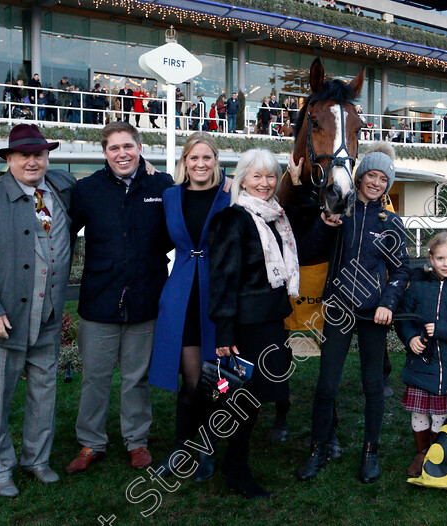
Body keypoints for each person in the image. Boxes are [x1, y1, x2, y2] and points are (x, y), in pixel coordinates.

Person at [0, 124, 75, 497]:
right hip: (2, 321)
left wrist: (148, 169)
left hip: (48, 318)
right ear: (8, 160)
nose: (32, 161)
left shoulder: (61, 188)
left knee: (44, 395)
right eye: (23, 155)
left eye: (39, 154)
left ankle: (37, 460)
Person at [65, 122, 173, 475]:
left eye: (128, 146)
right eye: (114, 148)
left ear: (140, 147)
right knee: (94, 377)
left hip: (146, 296)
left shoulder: (162, 184)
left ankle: (137, 440)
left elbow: (182, 224)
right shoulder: (87, 189)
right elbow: (61, 231)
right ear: (104, 153)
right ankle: (91, 442)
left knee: (136, 376)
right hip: (99, 299)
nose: (122, 153)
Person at [299, 144, 411, 484]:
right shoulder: (339, 211)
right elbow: (308, 251)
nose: (376, 183)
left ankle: (370, 453)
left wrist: (387, 303)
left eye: (383, 179)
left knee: (373, 385)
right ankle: (318, 449)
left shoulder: (390, 221)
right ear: (359, 177)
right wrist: (324, 223)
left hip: (373, 314)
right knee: (326, 384)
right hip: (338, 311)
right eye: (371, 176)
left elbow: (402, 269)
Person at [207, 148, 303, 499]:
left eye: (271, 176)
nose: (265, 183)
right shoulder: (233, 219)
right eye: (257, 176)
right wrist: (224, 331)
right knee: (240, 400)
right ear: (243, 179)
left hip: (270, 322)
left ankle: (234, 462)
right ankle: (235, 469)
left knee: (255, 399)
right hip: (244, 327)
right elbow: (222, 279)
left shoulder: (275, 216)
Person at [149, 132, 230, 483]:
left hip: (216, 295)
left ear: (216, 161)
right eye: (193, 158)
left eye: (207, 158)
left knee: (214, 381)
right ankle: (183, 450)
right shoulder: (170, 195)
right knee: (192, 380)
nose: (200, 164)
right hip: (181, 294)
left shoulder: (230, 194)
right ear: (184, 161)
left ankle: (206, 450)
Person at [394, 232, 447, 477]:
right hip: (420, 360)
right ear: (431, 257)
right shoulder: (418, 283)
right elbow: (403, 316)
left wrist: (441, 329)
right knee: (419, 411)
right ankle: (421, 453)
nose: (446, 263)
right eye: (440, 258)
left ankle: (437, 452)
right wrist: (410, 337)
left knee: (441, 413)